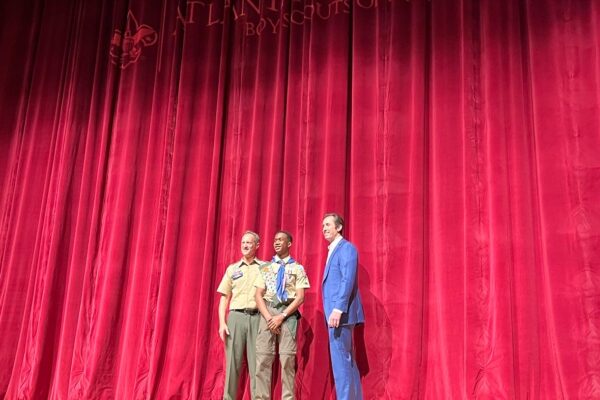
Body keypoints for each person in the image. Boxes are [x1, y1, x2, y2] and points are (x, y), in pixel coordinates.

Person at [254, 231, 310, 400]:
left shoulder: (297, 268)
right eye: (275, 239)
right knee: (263, 360)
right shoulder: (265, 267)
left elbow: (300, 297)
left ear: (289, 243)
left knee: (287, 361)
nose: (276, 242)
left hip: (288, 315)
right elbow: (258, 295)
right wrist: (270, 318)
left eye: (280, 239)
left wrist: (282, 316)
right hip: (267, 313)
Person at [321, 213, 365, 400]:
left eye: (328, 224)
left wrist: (338, 309)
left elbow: (347, 280)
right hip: (337, 314)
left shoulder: (346, 248)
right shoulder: (333, 250)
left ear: (339, 227)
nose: (324, 228)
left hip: (340, 315)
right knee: (346, 361)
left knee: (341, 363)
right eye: (323, 225)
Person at [217, 231, 263, 400]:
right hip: (235, 318)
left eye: (249, 243)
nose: (245, 245)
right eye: (243, 242)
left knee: (257, 365)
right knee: (232, 365)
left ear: (257, 246)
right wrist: (222, 323)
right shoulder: (232, 269)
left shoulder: (264, 268)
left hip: (257, 318)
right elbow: (224, 298)